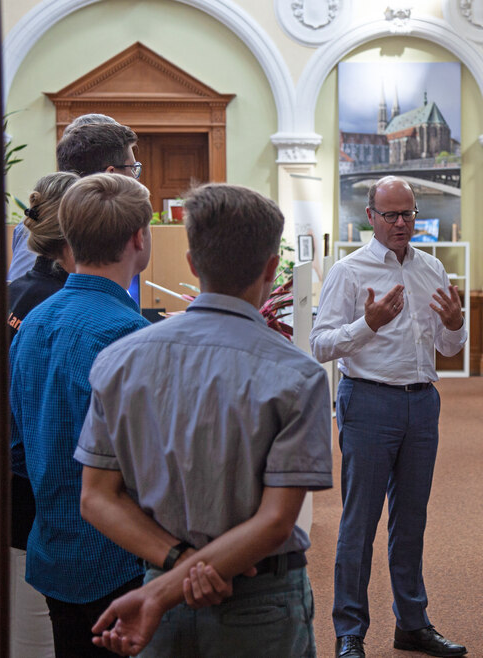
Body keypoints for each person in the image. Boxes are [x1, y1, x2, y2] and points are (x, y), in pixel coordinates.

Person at [75, 182, 333, 657]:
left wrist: (173, 572)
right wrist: (177, 583)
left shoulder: (119, 361)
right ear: (273, 270)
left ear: (192, 264)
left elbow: (96, 497)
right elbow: (276, 521)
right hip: (257, 599)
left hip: (157, 586)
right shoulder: (299, 375)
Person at [311, 176, 468, 658]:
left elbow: (445, 347)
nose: (401, 224)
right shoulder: (349, 271)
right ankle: (350, 632)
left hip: (422, 402)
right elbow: (319, 344)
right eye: (391, 215)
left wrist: (457, 325)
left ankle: (412, 623)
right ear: (371, 217)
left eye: (408, 214)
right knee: (360, 521)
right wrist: (368, 325)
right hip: (369, 402)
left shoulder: (432, 269)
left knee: (411, 520)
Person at [9, 173, 153, 657]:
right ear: (139, 238)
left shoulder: (33, 322)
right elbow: (151, 466)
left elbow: (16, 440)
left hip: (53, 545)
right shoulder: (127, 334)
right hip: (120, 556)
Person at [6, 171, 80, 658]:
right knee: (39, 634)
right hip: (36, 484)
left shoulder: (17, 288)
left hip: (15, 473)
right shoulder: (57, 303)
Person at [8, 116, 138, 282]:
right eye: (132, 168)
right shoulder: (50, 226)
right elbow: (25, 297)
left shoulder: (99, 223)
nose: (136, 179)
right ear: (110, 174)